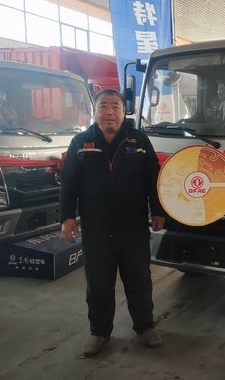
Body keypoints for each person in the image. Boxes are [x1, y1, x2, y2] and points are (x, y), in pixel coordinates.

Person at [59, 89, 166, 356]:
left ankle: (145, 326)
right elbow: (69, 183)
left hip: (133, 226)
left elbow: (154, 178)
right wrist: (67, 217)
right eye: (103, 106)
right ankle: (99, 331)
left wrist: (158, 210)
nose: (109, 111)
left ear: (123, 111)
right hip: (96, 228)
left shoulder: (138, 140)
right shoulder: (81, 143)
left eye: (115, 106)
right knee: (98, 283)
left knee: (139, 280)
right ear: (94, 112)